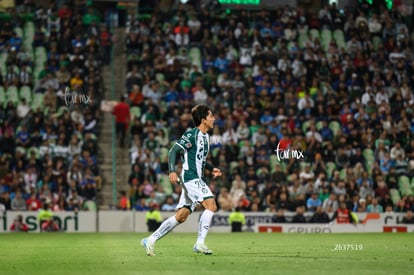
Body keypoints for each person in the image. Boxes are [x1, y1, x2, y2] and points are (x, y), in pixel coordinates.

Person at [141, 104, 222, 256]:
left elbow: (200, 159)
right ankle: (200, 243)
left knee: (181, 216)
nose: (214, 119)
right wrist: (172, 170)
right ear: (203, 120)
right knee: (211, 206)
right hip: (190, 177)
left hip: (196, 177)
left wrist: (212, 168)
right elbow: (173, 150)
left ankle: (150, 240)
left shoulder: (205, 137)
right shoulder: (192, 135)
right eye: (211, 116)